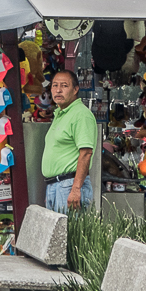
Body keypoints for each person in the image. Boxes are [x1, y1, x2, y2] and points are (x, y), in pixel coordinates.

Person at [42, 69, 98, 212]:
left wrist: (75, 189)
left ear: (75, 90)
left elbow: (86, 153)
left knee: (69, 233)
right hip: (56, 186)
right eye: (55, 85)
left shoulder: (81, 114)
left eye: (64, 86)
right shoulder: (60, 113)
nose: (58, 90)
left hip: (69, 185)